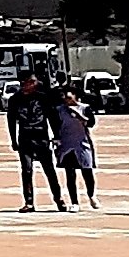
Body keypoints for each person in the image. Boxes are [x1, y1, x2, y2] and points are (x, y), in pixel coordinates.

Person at [6, 67, 70, 211]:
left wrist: (57, 136)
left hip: (41, 137)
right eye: (32, 82)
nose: (35, 84)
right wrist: (13, 140)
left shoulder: (43, 97)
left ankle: (58, 198)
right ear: (25, 83)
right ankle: (29, 202)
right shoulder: (15, 100)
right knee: (27, 170)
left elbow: (52, 117)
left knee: (49, 169)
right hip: (25, 137)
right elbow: (11, 120)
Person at [47, 70, 99, 208]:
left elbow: (91, 123)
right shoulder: (59, 110)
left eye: (69, 97)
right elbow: (55, 125)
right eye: (65, 97)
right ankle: (74, 202)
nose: (67, 99)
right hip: (67, 144)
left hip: (82, 144)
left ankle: (91, 195)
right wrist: (56, 139)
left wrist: (78, 114)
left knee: (87, 172)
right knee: (70, 175)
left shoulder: (85, 108)